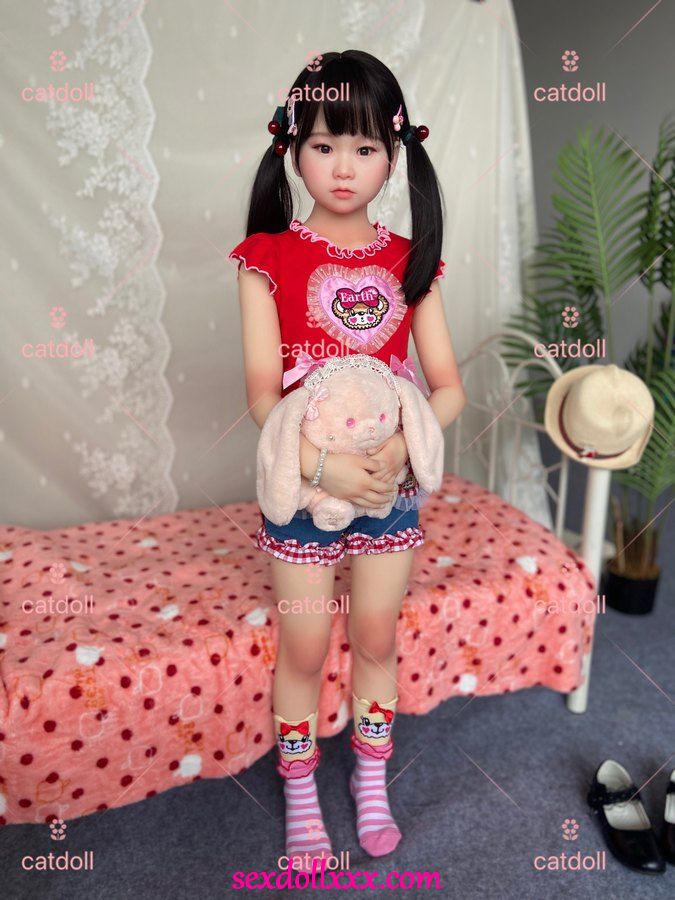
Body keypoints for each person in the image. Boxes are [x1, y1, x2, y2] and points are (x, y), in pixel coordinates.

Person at [229, 49, 466, 871]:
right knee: (302, 647)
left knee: (373, 636)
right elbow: (263, 395)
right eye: (324, 145)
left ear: (392, 156)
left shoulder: (410, 258)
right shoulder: (265, 258)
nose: (342, 167)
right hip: (302, 486)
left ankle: (370, 779)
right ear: (292, 149)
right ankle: (300, 792)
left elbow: (447, 388)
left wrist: (400, 451)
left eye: (364, 148)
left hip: (389, 491)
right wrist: (319, 466)